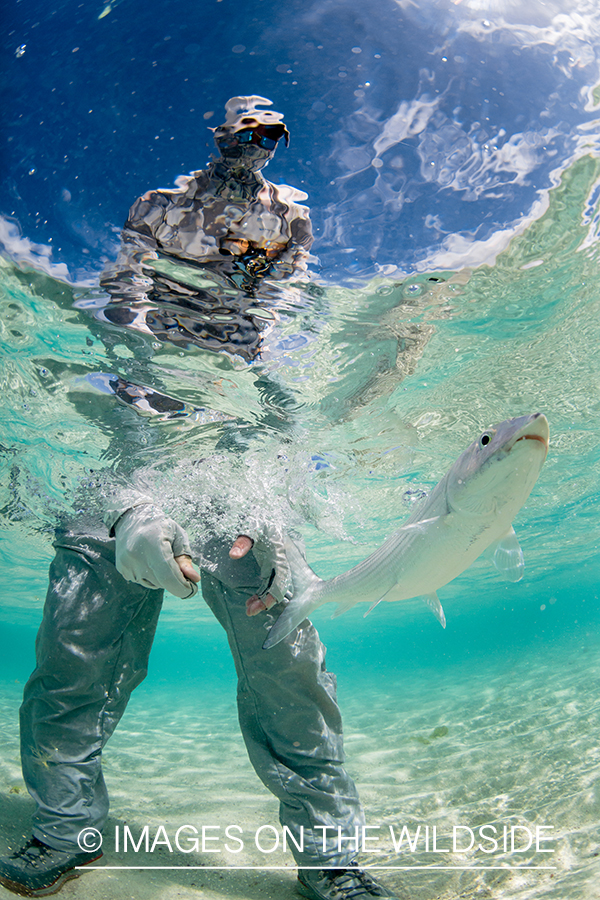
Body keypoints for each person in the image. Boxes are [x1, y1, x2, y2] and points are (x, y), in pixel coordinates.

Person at [0, 97, 399, 900]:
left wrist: (257, 397)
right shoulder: (155, 205)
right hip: (136, 422)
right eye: (248, 128)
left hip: (234, 437)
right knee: (74, 652)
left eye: (274, 133)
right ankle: (62, 828)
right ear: (220, 131)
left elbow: (283, 310)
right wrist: (140, 387)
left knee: (287, 663)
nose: (261, 143)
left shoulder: (292, 219)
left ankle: (331, 860)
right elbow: (124, 292)